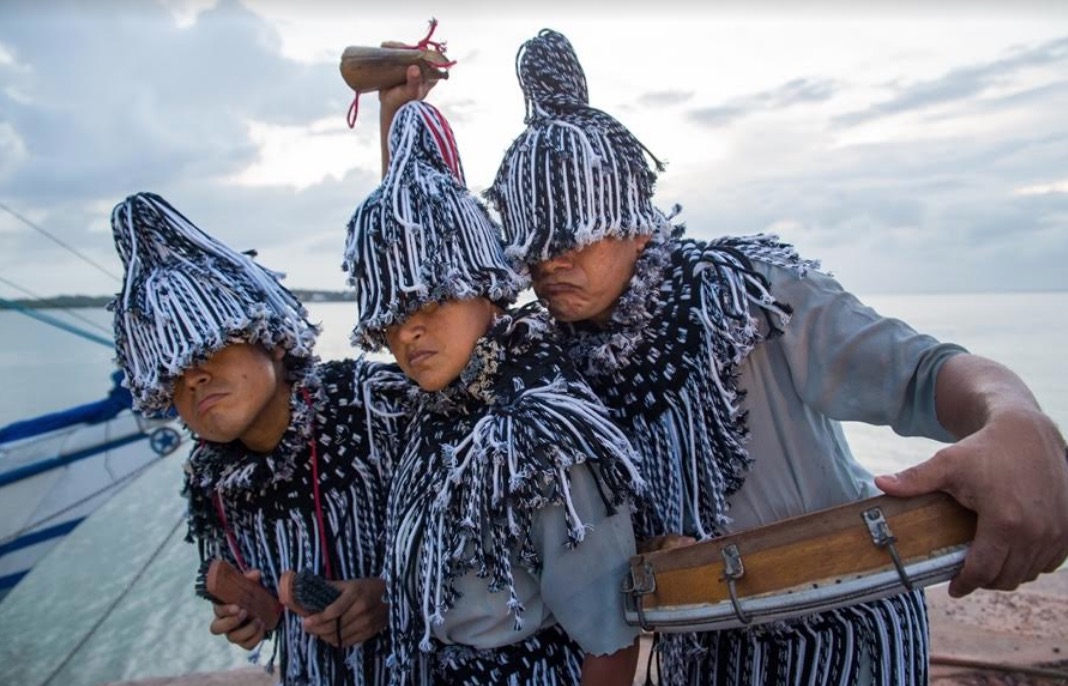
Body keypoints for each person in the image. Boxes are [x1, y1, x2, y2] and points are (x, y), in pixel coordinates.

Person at [487, 29, 1068, 686]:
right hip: (696, 649)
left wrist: (1015, 417)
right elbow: (442, 354)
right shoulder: (543, 363)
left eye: (574, 234)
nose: (550, 261)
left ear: (633, 213)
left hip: (845, 636)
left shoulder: (741, 291)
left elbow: (918, 374)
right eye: (529, 245)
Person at [343, 96, 645, 685]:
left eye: (431, 300)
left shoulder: (538, 430)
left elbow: (610, 639)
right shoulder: (435, 409)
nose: (409, 330)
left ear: (485, 287)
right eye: (391, 313)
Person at [108, 192, 409, 686]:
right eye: (170, 374)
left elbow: (493, 546)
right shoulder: (210, 478)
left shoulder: (375, 404)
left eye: (206, 349)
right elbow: (257, 600)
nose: (192, 379)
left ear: (267, 336)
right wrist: (251, 615)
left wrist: (393, 595)